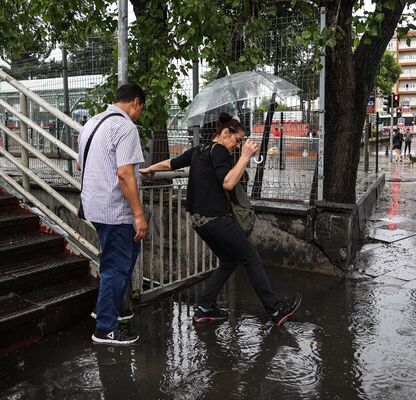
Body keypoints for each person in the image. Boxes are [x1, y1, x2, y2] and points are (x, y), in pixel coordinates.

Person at [140, 113, 302, 326]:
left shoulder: (201, 149)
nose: (237, 145)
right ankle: (275, 310)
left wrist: (150, 168)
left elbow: (172, 163)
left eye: (240, 143)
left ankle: (205, 308)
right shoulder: (219, 151)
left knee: (228, 261)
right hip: (216, 220)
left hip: (200, 222)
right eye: (237, 140)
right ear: (226, 132)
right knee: (251, 258)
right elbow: (227, 183)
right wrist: (245, 157)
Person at [78, 83, 148, 345]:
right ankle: (105, 328)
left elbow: (80, 163)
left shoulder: (93, 123)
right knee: (116, 267)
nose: (139, 114)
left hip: (94, 205)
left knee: (123, 257)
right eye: (141, 109)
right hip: (115, 210)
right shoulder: (126, 127)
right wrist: (139, 214)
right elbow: (124, 173)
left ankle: (104, 307)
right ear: (136, 102)